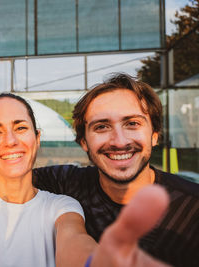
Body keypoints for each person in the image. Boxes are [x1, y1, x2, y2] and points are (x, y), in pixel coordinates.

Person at [0, 93, 171, 267]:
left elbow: (75, 242)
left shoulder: (62, 205)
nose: (10, 140)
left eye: (21, 127)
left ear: (37, 138)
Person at [31, 73, 199, 267]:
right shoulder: (66, 183)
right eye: (102, 127)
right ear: (84, 142)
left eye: (132, 124)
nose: (119, 141)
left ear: (154, 135)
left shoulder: (192, 209)